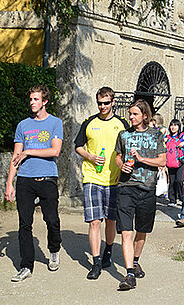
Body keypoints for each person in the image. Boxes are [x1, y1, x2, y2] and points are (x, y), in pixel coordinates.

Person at [5, 85, 63, 282]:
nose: (32, 102)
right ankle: (26, 265)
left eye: (36, 99)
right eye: (31, 99)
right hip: (25, 180)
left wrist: (29, 152)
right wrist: (9, 183)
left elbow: (55, 151)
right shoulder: (23, 126)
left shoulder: (55, 123)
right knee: (24, 224)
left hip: (47, 178)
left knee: (52, 220)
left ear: (44, 101)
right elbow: (16, 156)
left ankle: (54, 250)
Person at [74, 86, 130, 280]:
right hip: (92, 177)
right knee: (94, 221)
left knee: (110, 220)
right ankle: (96, 262)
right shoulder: (89, 122)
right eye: (99, 103)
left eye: (106, 103)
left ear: (113, 102)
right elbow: (77, 146)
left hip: (114, 180)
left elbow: (128, 148)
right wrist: (89, 156)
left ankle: (108, 250)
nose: (102, 106)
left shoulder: (122, 124)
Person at [114, 99, 166, 290]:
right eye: (130, 114)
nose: (131, 117)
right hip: (126, 187)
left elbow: (162, 160)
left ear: (145, 116)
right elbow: (117, 155)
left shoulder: (156, 135)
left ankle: (135, 262)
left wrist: (142, 159)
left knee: (142, 230)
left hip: (147, 189)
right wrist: (122, 165)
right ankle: (128, 275)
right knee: (126, 231)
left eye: (135, 114)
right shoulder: (124, 135)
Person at [164, 119, 184, 207]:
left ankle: (182, 197)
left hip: (180, 162)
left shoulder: (182, 136)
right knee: (171, 181)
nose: (173, 127)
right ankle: (172, 199)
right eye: (172, 125)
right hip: (170, 162)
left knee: (179, 181)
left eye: (175, 125)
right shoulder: (167, 137)